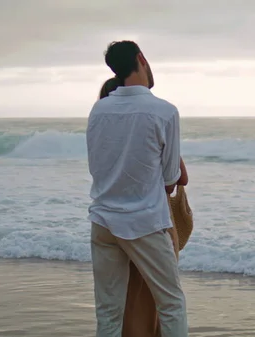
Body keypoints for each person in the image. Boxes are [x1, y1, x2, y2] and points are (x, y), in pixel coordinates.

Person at [86, 40, 189, 337]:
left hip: (103, 220)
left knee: (108, 311)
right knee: (171, 303)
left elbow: (99, 165)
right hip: (144, 223)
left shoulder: (99, 110)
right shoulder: (164, 111)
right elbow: (171, 178)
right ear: (141, 59)